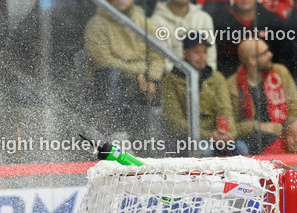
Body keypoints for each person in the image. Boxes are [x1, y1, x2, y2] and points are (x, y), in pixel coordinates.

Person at [83, 0, 164, 138]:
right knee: (112, 74)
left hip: (138, 80)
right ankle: (116, 133)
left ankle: (153, 142)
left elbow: (157, 56)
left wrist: (153, 80)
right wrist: (138, 71)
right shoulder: (96, 23)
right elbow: (102, 59)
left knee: (163, 83)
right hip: (103, 84)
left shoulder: (143, 23)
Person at [161, 35, 246, 156]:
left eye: (205, 52)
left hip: (216, 135)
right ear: (185, 52)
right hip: (185, 138)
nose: (202, 57)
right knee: (205, 150)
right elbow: (175, 121)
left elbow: (225, 110)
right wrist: (206, 135)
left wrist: (228, 134)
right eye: (196, 52)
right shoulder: (171, 80)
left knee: (241, 148)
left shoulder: (217, 78)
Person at [228, 38, 297, 154]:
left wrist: (286, 129)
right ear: (252, 60)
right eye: (264, 53)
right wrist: (259, 126)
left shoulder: (281, 73)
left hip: (284, 133)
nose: (270, 55)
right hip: (251, 138)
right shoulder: (231, 85)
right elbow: (231, 128)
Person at [206, 0, 290, 77]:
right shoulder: (222, 23)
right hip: (234, 79)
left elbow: (282, 55)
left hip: (269, 76)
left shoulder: (272, 20)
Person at [150, 0, 218, 73]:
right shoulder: (155, 21)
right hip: (172, 80)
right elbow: (161, 63)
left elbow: (211, 60)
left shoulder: (204, 18)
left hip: (203, 78)